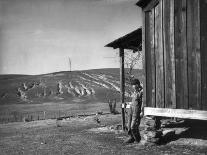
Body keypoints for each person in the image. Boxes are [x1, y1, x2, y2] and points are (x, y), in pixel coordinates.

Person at [124, 78, 144, 143]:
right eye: (132, 85)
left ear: (137, 84)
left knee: (134, 126)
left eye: (134, 85)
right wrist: (127, 104)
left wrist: (142, 111)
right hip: (131, 109)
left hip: (137, 111)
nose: (133, 86)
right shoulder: (135, 91)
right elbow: (134, 101)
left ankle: (138, 139)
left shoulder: (141, 92)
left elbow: (143, 103)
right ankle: (131, 137)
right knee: (128, 125)